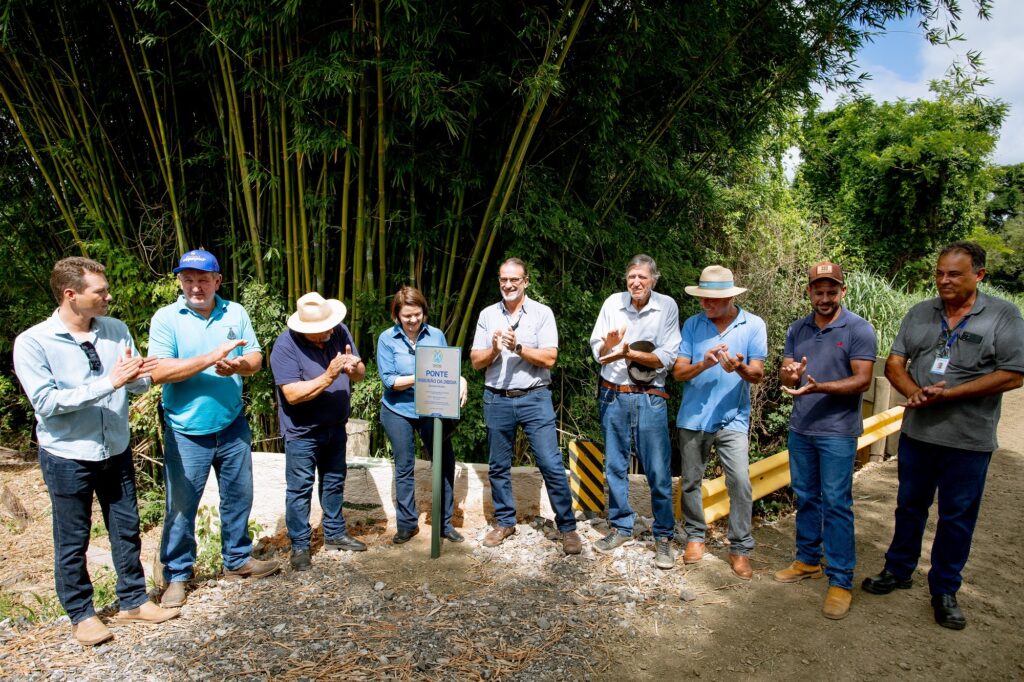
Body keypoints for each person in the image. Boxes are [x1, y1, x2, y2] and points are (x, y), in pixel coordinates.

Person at [13, 257, 180, 646]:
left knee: (126, 527)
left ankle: (133, 600)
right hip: (68, 454)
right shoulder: (34, 342)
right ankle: (82, 614)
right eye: (99, 291)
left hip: (115, 447)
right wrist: (111, 381)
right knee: (73, 538)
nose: (109, 296)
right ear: (71, 295)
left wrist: (139, 374)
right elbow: (47, 402)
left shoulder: (115, 330)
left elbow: (134, 385)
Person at [862, 241, 1024, 630]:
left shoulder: (1003, 316)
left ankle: (945, 589)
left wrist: (950, 395)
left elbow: (1015, 373)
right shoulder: (920, 313)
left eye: (954, 274)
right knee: (909, 506)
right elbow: (896, 362)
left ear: (979, 275)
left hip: (969, 440)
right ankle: (898, 570)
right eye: (939, 273)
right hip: (919, 435)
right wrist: (914, 391)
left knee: (956, 517)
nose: (944, 280)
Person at [149, 249, 279, 608]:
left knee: (238, 495)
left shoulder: (234, 312)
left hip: (231, 422)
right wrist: (211, 357)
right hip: (186, 428)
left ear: (217, 281)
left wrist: (238, 365)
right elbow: (158, 372)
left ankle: (237, 560)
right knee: (181, 504)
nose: (195, 286)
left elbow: (256, 359)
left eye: (203, 279)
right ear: (179, 281)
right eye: (187, 279)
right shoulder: (166, 318)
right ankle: (176, 575)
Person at [774, 261, 876, 620]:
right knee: (806, 497)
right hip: (802, 427)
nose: (825, 297)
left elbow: (862, 380)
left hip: (838, 431)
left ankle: (841, 579)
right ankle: (806, 560)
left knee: (836, 503)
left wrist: (818, 387)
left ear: (842, 292)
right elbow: (787, 368)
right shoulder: (797, 329)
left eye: (832, 290)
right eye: (819, 290)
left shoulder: (859, 329)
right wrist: (790, 373)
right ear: (810, 292)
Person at [470, 258, 582, 555]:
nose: (508, 285)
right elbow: (476, 361)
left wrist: (518, 347)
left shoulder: (542, 314)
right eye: (503, 279)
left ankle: (568, 528)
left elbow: (549, 359)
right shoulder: (487, 315)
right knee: (498, 465)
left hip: (535, 396)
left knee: (550, 463)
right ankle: (505, 521)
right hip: (497, 397)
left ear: (526, 281)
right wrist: (495, 348)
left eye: (514, 280)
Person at [673, 265, 766, 579]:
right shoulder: (692, 325)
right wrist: (705, 362)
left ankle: (740, 548)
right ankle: (696, 537)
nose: (705, 304)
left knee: (740, 481)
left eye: (712, 299)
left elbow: (757, 374)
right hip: (693, 417)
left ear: (729, 297)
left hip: (733, 418)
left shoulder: (752, 325)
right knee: (690, 481)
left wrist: (737, 366)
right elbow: (679, 372)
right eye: (702, 298)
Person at [589, 254, 680, 569]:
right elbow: (597, 353)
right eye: (631, 277)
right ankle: (621, 527)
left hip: (650, 397)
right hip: (612, 395)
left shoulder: (666, 306)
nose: (636, 283)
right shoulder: (612, 304)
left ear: (653, 279)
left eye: (642, 277)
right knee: (614, 465)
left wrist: (629, 353)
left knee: (657, 470)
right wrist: (609, 347)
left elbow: (668, 356)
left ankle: (664, 536)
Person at [270, 292, 368, 571]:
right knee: (300, 489)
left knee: (335, 481)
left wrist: (353, 367)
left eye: (329, 326)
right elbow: (292, 394)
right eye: (320, 330)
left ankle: (335, 532)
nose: (327, 332)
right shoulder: (285, 345)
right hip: (302, 431)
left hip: (336, 425)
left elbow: (360, 372)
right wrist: (329, 375)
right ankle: (300, 545)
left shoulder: (338, 331)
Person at [377, 286, 468, 545]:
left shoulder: (436, 335)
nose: (413, 320)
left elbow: (447, 368)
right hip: (398, 409)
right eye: (407, 316)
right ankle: (406, 524)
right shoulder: (387, 339)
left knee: (443, 461)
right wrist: (423, 375)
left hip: (432, 407)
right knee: (405, 466)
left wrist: (461, 380)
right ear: (396, 315)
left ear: (423, 312)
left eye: (417, 314)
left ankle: (443, 523)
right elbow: (389, 380)